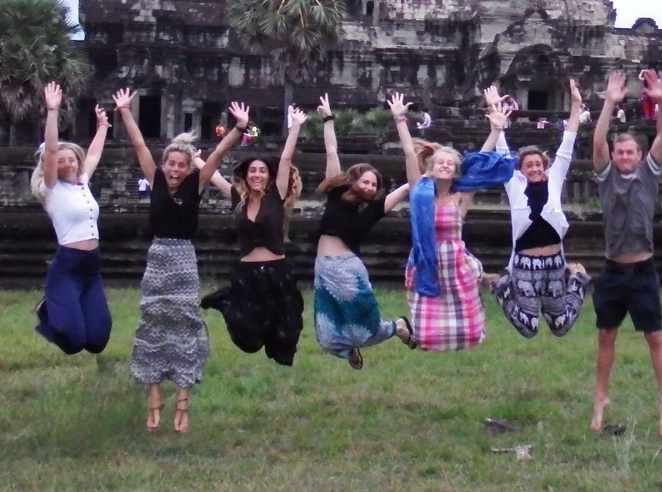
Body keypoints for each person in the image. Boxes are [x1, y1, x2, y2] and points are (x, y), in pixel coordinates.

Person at [114, 88, 235, 433]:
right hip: (158, 258)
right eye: (171, 164)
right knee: (152, 325)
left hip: (184, 258)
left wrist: (238, 130)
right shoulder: (154, 180)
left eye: (182, 165)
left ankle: (183, 403)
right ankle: (154, 400)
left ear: (186, 168)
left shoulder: (193, 186)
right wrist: (125, 111)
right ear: (164, 164)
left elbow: (216, 156)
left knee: (184, 327)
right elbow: (139, 146)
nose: (176, 169)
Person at [590, 70, 662, 437]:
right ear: (614, 155)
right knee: (606, 335)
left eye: (630, 152)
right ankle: (600, 401)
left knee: (654, 337)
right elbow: (596, 143)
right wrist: (609, 102)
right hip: (612, 271)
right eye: (620, 152)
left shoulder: (648, 174)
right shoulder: (606, 176)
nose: (624, 156)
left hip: (643, 271)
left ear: (640, 156)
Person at [399, 92, 514, 352]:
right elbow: (408, 153)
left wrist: (496, 129)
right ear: (430, 168)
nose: (445, 166)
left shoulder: (459, 196)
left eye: (450, 164)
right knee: (426, 334)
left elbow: (481, 162)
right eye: (440, 162)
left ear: (455, 171)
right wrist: (399, 119)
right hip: (427, 262)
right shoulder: (420, 193)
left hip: (454, 263)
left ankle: (484, 279)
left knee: (470, 331)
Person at [312, 94, 417, 369]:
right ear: (354, 179)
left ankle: (398, 327)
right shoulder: (336, 193)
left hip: (348, 269)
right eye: (366, 181)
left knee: (364, 327)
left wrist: (424, 173)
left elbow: (408, 186)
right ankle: (348, 351)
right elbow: (332, 151)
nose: (370, 187)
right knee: (326, 332)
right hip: (323, 267)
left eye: (374, 184)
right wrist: (328, 118)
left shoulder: (375, 209)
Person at [201, 105, 305, 366]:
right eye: (252, 171)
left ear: (268, 177)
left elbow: (285, 160)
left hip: (277, 272)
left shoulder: (277, 196)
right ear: (245, 176)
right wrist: (196, 159)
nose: (257, 175)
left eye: (262, 171)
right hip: (247, 275)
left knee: (287, 333)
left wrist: (295, 126)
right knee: (248, 340)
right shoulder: (238, 198)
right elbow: (211, 174)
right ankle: (226, 300)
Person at [485, 80, 590, 338]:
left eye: (538, 164)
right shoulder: (513, 183)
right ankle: (500, 287)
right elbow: (500, 149)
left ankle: (579, 281)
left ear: (544, 165)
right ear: (520, 169)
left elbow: (568, 143)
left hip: (555, 263)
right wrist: (496, 114)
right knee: (529, 328)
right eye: (528, 165)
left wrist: (576, 104)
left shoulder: (555, 179)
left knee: (561, 326)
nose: (534, 168)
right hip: (525, 263)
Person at [32, 83, 113, 356]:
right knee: (73, 341)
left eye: (71, 159)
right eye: (61, 161)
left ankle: (65, 309)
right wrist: (52, 111)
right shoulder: (51, 188)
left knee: (97, 341)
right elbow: (52, 151)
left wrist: (102, 126)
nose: (67, 164)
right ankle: (48, 312)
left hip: (92, 266)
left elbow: (93, 155)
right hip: (67, 266)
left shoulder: (83, 183)